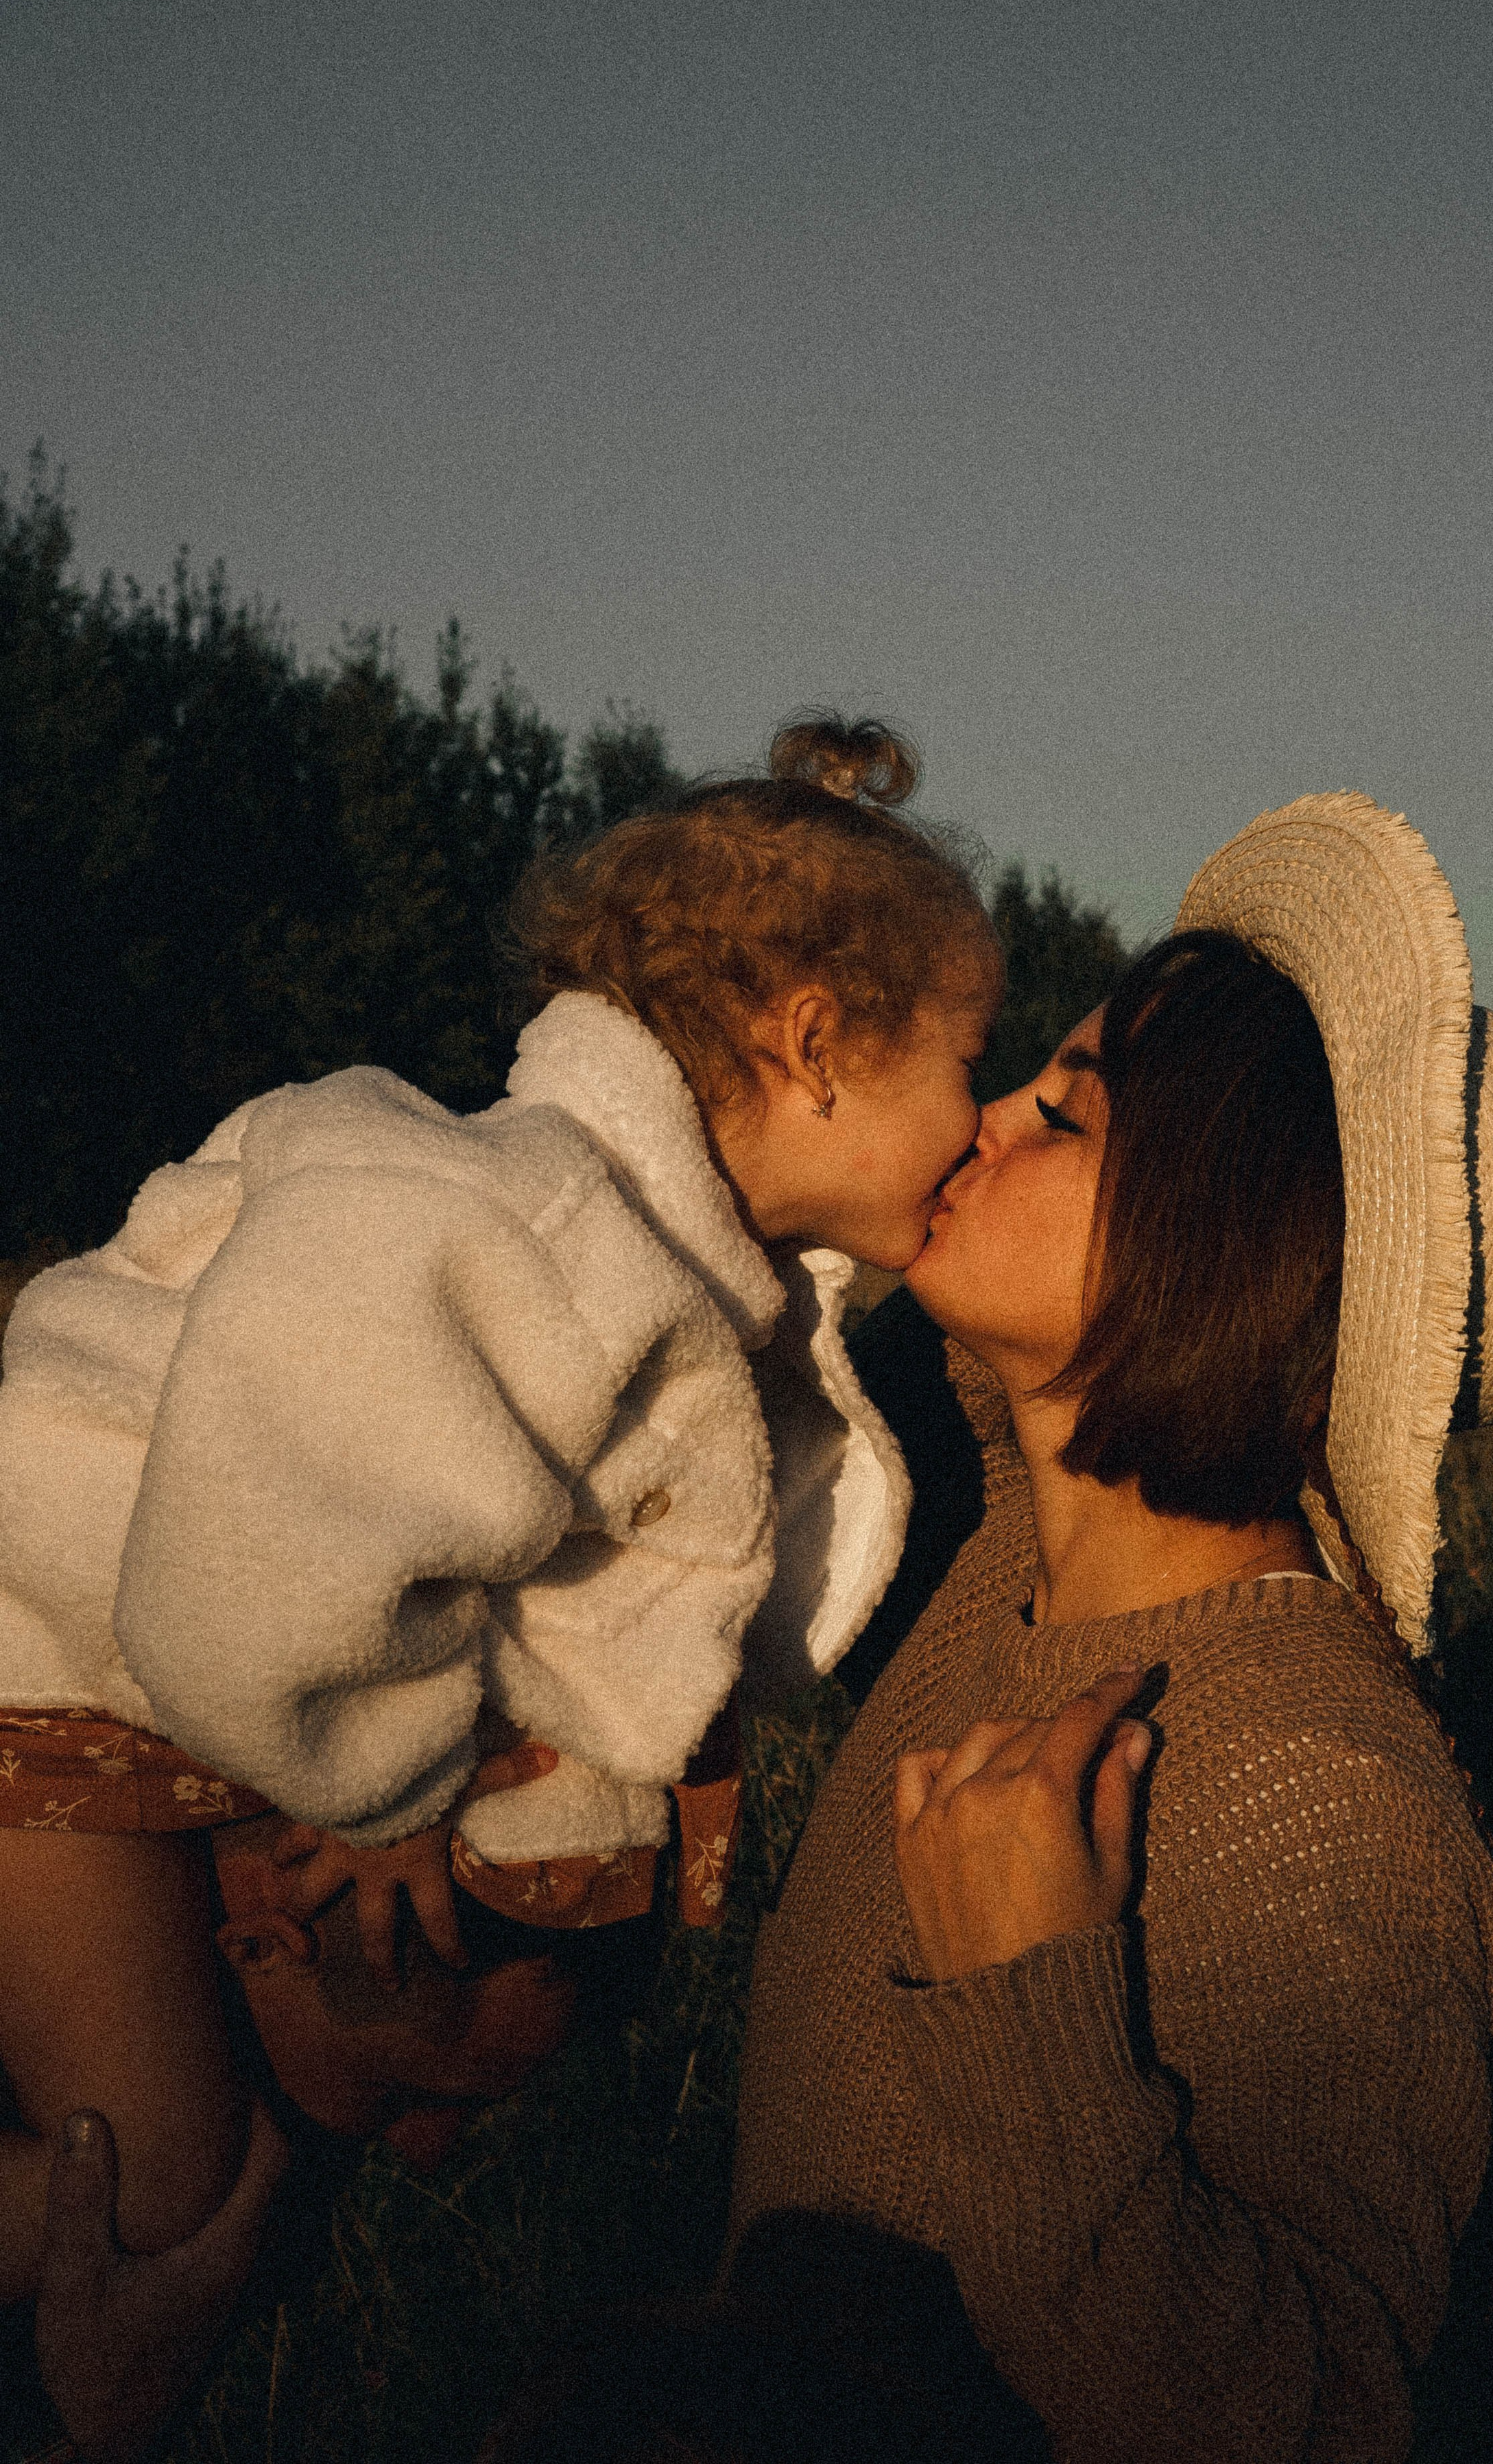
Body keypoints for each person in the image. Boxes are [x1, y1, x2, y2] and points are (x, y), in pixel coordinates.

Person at [0, 717, 999, 2463]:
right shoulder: (523, 1226)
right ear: (815, 1044)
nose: (978, 1121)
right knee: (156, 2180)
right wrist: (374, 1791)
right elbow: (256, 1565)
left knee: (205, 2151)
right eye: (966, 1064)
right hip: (41, 1643)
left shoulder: (674, 1266)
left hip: (121, 1666)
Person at [717, 790, 1493, 2463]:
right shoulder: (975, 1547)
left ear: (1231, 1243)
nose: (980, 1119)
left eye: (1069, 1117)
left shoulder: (1323, 1799)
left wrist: (1031, 2002)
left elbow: (1313, 2421)